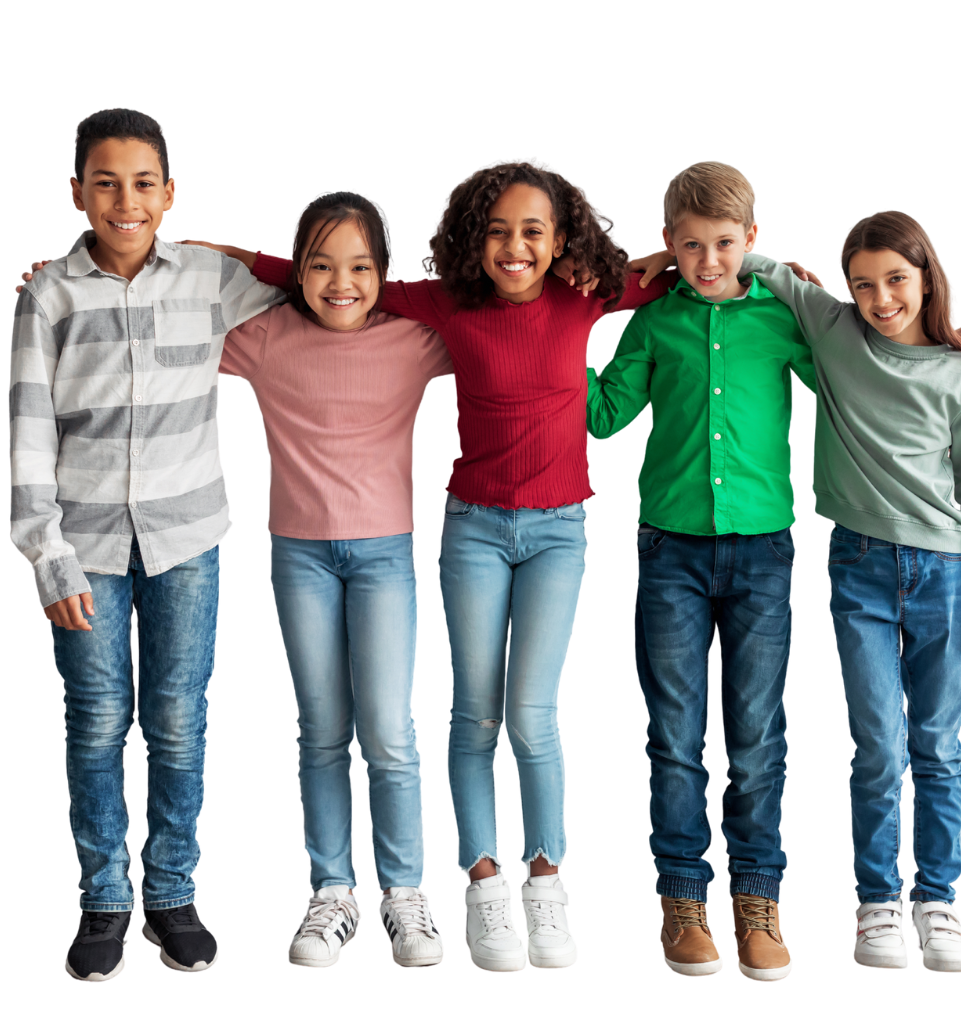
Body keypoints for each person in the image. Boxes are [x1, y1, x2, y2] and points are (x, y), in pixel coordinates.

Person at [235, 157, 683, 972]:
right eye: (498, 230)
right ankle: (482, 888)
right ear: (472, 239)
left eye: (533, 232)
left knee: (532, 712)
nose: (514, 247)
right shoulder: (444, 300)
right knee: (473, 715)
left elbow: (682, 265)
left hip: (559, 533)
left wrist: (769, 268)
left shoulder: (585, 293)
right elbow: (328, 280)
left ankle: (546, 882)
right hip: (471, 529)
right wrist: (225, 259)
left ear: (561, 240)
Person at [9, 108, 284, 983]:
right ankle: (104, 898)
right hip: (82, 546)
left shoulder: (208, 278)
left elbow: (319, 286)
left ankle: (171, 891)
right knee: (96, 723)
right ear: (76, 193)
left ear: (168, 195)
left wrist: (230, 250)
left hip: (188, 542)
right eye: (104, 182)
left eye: (142, 184)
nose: (123, 200)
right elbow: (28, 434)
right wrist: (45, 556)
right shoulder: (48, 294)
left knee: (177, 721)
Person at [738, 210, 961, 974]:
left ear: (925, 276)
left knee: (938, 747)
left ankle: (940, 903)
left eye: (896, 279)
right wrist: (681, 254)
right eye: (863, 285)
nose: (881, 298)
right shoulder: (833, 331)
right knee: (879, 747)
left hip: (945, 573)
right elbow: (760, 268)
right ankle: (877, 905)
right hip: (858, 569)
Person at [587, 161, 814, 982]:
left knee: (755, 734)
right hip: (668, 551)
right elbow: (605, 415)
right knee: (675, 732)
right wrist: (561, 334)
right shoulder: (653, 326)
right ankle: (683, 901)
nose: (708, 261)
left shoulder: (787, 321)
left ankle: (758, 900)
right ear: (668, 246)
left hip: (765, 550)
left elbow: (853, 384)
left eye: (724, 243)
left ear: (752, 239)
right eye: (691, 246)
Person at [217, 190, 453, 970]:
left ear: (387, 273)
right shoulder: (262, 337)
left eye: (359, 266)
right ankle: (332, 893)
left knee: (388, 730)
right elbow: (168, 311)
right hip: (299, 556)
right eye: (319, 265)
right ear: (297, 274)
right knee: (322, 730)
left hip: (387, 554)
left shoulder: (415, 337)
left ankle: (404, 895)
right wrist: (79, 283)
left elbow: (504, 318)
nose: (340, 282)